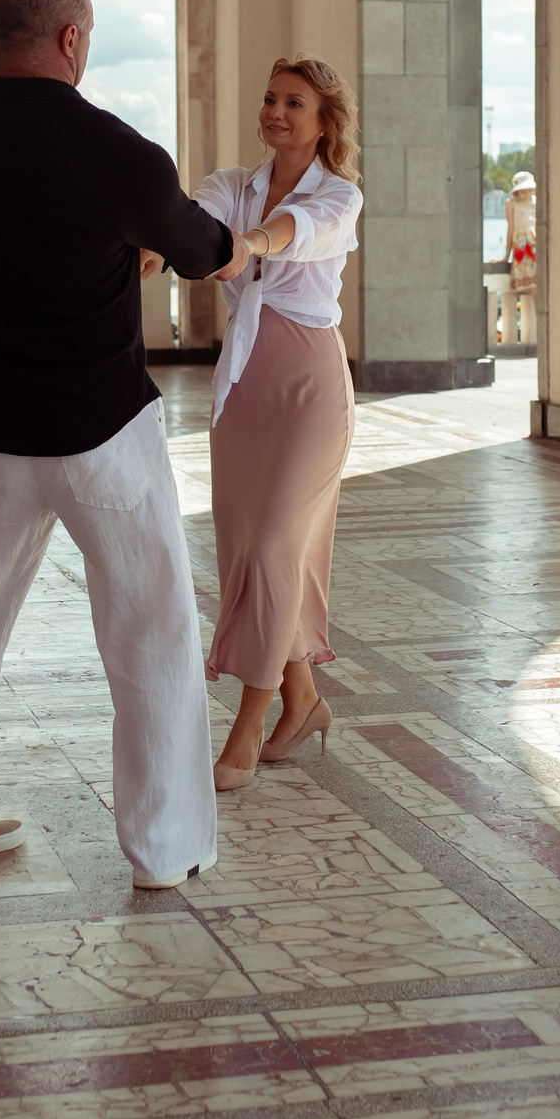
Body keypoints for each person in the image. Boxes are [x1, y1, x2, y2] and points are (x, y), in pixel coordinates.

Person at [0, 0, 244, 891]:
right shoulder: (117, 154)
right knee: (150, 635)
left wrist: (110, 242)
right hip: (102, 436)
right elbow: (201, 247)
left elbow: (11, 248)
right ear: (71, 39)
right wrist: (176, 240)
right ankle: (166, 848)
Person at [194, 58, 363, 790]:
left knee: (272, 548)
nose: (276, 111)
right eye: (269, 97)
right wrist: (155, 240)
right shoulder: (235, 186)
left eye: (295, 102)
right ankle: (304, 701)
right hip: (243, 389)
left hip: (309, 388)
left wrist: (250, 244)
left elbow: (303, 231)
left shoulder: (342, 195)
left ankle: (248, 723)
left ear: (324, 121)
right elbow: (196, 213)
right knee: (251, 555)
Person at [505, 170, 539, 344]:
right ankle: (540, 324)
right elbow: (510, 229)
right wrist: (506, 255)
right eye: (523, 190)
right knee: (531, 285)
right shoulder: (511, 204)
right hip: (522, 247)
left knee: (537, 285)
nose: (527, 194)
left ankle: (541, 322)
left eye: (529, 190)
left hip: (534, 245)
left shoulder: (535, 202)